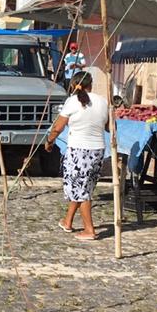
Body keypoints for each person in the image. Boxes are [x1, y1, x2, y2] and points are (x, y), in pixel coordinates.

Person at [44, 71, 110, 241]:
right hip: (97, 151)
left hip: (79, 151)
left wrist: (49, 141)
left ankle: (89, 230)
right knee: (83, 187)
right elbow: (110, 127)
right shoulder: (103, 102)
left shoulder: (72, 101)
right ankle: (68, 221)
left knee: (81, 191)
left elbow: (58, 127)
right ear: (91, 84)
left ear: (73, 85)